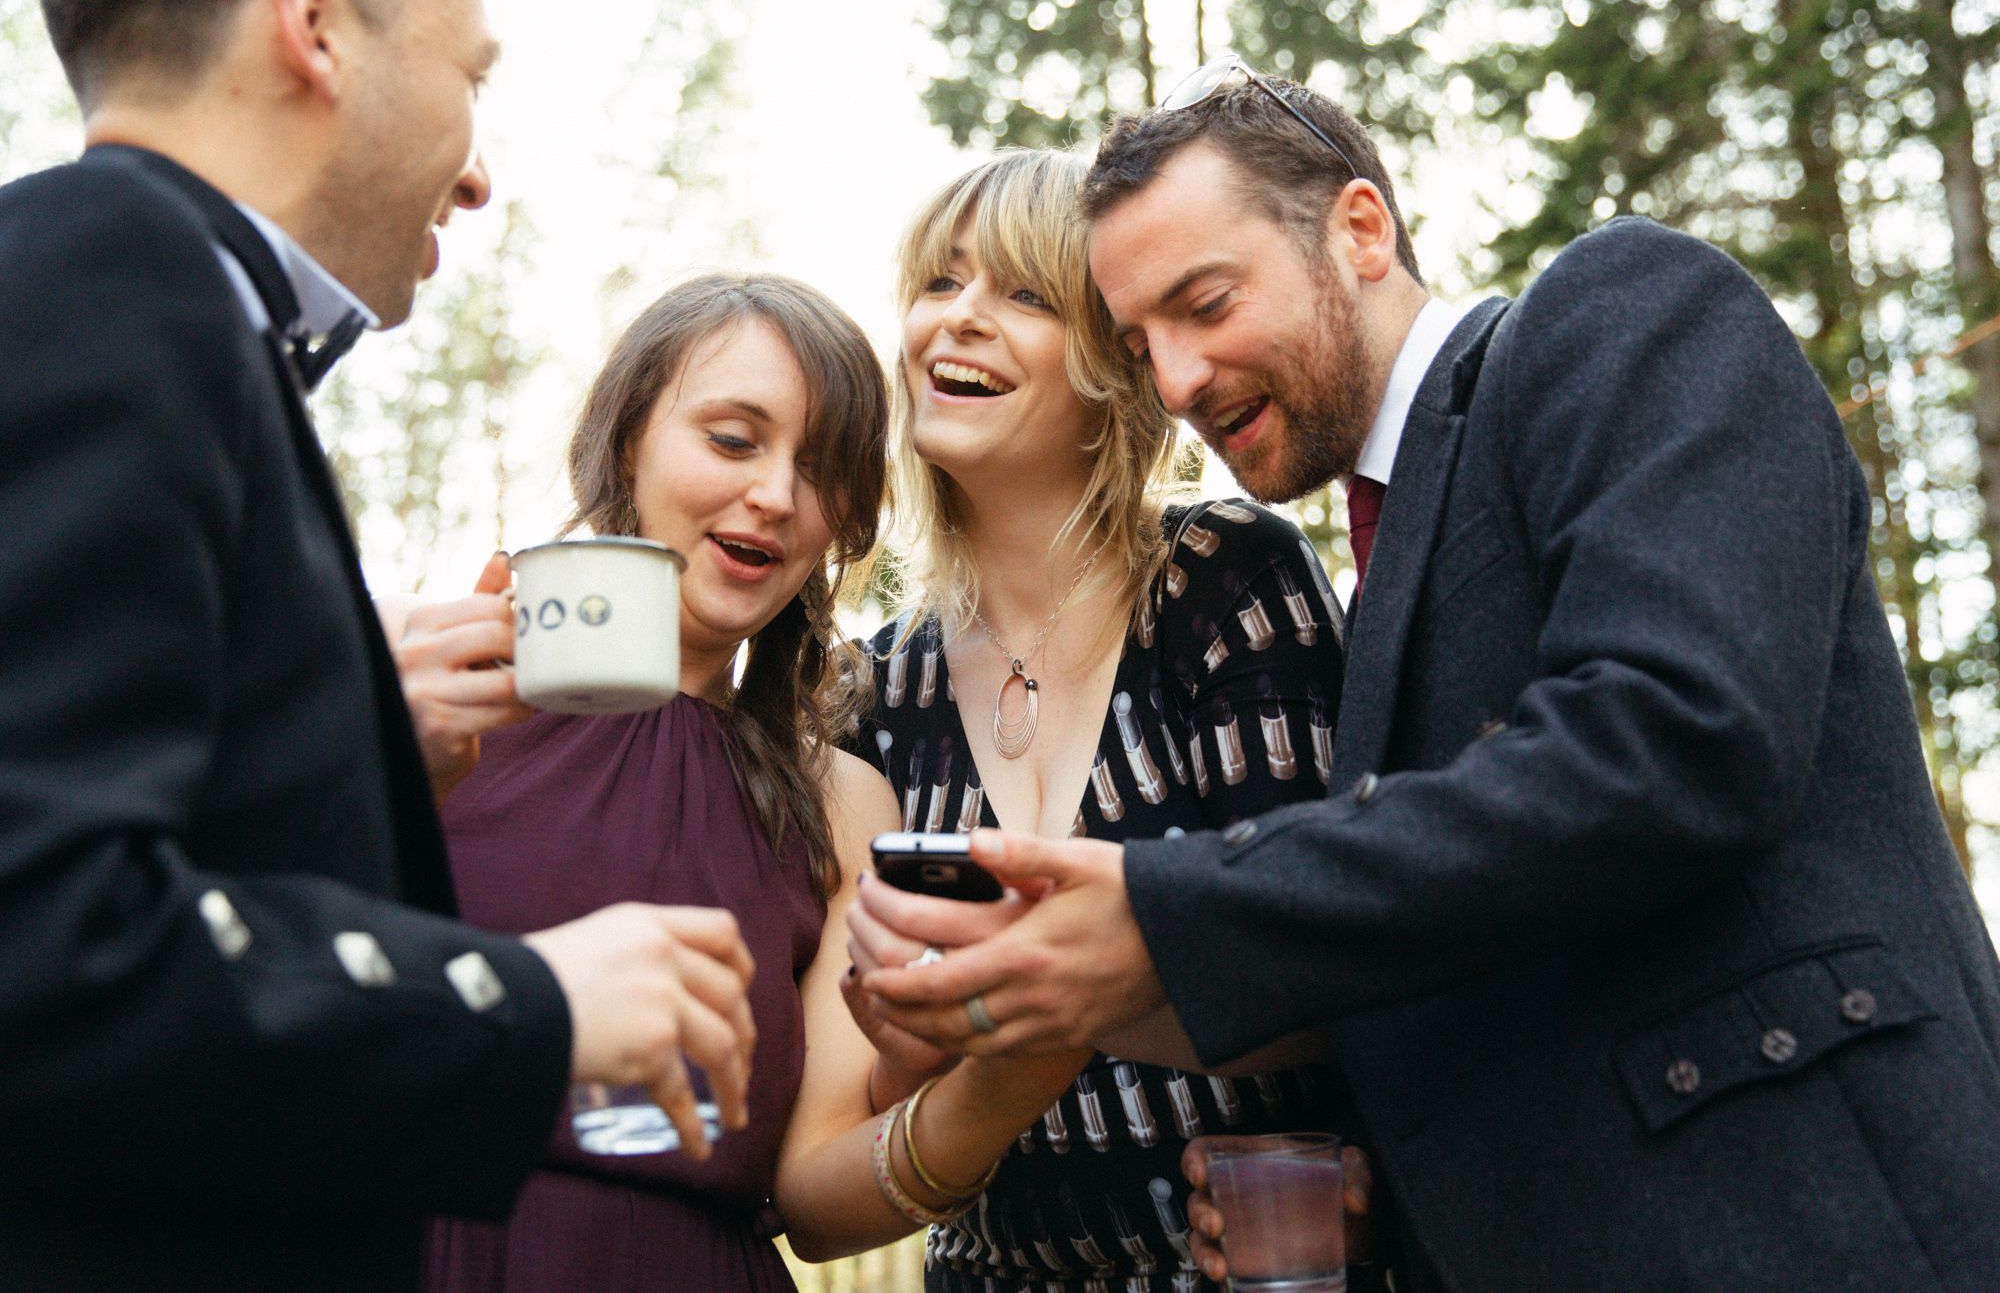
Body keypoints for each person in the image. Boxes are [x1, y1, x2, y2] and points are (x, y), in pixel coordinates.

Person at [858, 65, 2000, 1289]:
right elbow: (1457, 937)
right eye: (1141, 345)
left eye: (1206, 303)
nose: (1178, 381)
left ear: (1358, 228)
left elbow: (1672, 737)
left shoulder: (1620, 308)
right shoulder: (1363, 574)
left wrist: (1161, 908)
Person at [0, 0, 754, 1287]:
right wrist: (531, 1001)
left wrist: (345, 753)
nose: (476, 177)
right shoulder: (114, 270)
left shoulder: (153, 298)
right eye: (473, 75)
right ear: (312, 23)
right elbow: (45, 937)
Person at [393, 273, 1096, 1291]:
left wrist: (1003, 1080)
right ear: (623, 439)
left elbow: (814, 1198)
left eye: (819, 471)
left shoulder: (844, 805)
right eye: (731, 439)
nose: (772, 494)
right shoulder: (419, 690)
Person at [842, 150, 1356, 1292]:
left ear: (1112, 364)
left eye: (1022, 295)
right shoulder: (871, 692)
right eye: (938, 283)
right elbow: (888, 1099)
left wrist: (1029, 992)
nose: (957, 321)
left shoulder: (1221, 581)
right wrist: (902, 1022)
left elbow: (1331, 966)